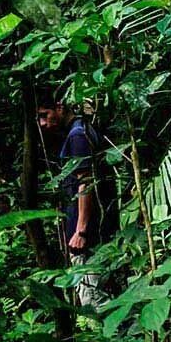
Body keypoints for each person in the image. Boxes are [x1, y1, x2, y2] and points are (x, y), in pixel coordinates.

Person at [36, 93, 116, 306]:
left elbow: (86, 182)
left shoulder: (78, 135)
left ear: (60, 108)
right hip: (93, 228)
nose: (43, 123)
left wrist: (80, 230)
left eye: (46, 115)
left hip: (88, 235)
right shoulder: (80, 130)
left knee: (93, 299)